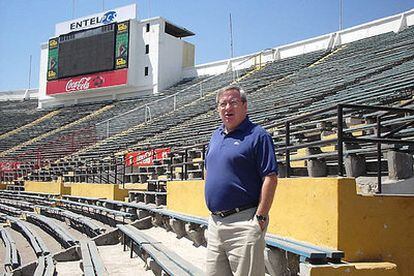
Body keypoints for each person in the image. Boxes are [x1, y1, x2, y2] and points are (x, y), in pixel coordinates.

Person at [204, 86, 278, 276]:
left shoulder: (258, 136)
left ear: (245, 106)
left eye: (233, 102)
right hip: (215, 223)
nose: (228, 107)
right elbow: (210, 170)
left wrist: (260, 218)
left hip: (243, 223)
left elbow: (270, 178)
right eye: (223, 104)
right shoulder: (215, 136)